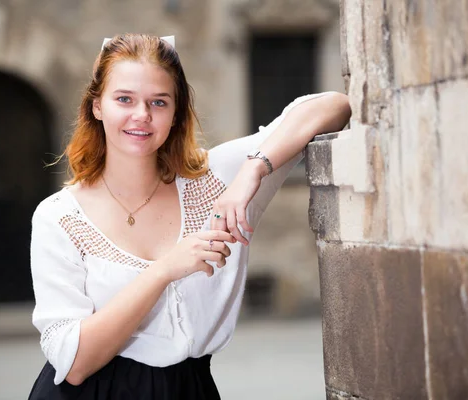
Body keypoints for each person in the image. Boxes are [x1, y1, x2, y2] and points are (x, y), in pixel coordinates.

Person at [27, 33, 351, 400]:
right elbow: (73, 364)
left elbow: (333, 106)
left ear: (176, 112)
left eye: (159, 102)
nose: (142, 115)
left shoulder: (216, 179)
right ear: (97, 106)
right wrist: (165, 270)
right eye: (124, 99)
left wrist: (253, 170)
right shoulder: (59, 217)